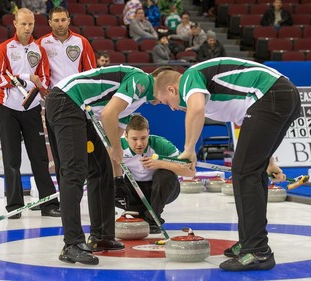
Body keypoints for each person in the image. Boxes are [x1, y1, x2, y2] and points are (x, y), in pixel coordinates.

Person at [153, 57, 301, 271]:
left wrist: (188, 150)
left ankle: (257, 251)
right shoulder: (218, 96)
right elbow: (249, 123)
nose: (172, 108)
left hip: (272, 94)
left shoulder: (188, 79)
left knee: (243, 172)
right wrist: (269, 161)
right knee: (249, 170)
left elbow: (196, 110)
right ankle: (250, 241)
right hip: (282, 95)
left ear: (172, 89)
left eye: (166, 102)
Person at [45, 65, 158, 265]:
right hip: (67, 100)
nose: (174, 107)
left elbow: (113, 146)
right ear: (168, 88)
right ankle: (71, 244)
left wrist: (118, 175)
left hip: (82, 111)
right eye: (176, 103)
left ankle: (101, 236)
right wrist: (116, 148)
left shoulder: (135, 102)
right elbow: (108, 116)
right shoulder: (142, 81)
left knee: (101, 168)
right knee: (74, 171)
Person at [0, 8, 60, 219]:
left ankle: (49, 204)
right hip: (8, 110)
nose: (27, 28)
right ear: (15, 23)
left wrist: (36, 83)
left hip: (31, 108)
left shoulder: (38, 49)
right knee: (12, 160)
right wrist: (24, 77)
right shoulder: (4, 48)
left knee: (39, 158)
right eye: (23, 24)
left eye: (30, 24)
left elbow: (45, 78)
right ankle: (14, 206)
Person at [36, 6, 96, 192]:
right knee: (59, 151)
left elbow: (91, 73)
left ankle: (80, 190)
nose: (60, 24)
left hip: (77, 102)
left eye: (63, 20)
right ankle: (66, 195)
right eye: (56, 20)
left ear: (69, 20)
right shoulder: (41, 44)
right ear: (50, 23)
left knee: (79, 151)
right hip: (54, 102)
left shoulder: (81, 42)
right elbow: (36, 72)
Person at [114, 114, 194, 233]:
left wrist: (160, 164)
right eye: (134, 139)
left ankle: (153, 218)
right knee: (107, 183)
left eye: (143, 138)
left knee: (165, 175)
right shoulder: (118, 146)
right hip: (134, 188)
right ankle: (137, 212)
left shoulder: (161, 144)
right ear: (125, 135)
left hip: (160, 189)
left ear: (148, 133)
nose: (140, 144)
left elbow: (190, 172)